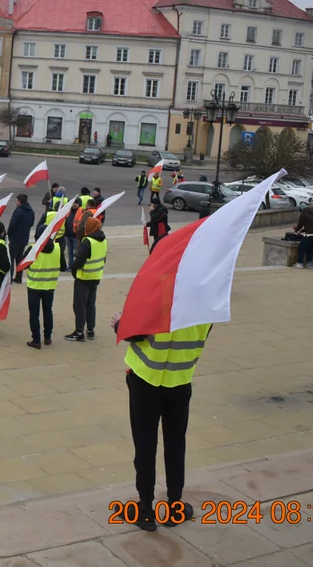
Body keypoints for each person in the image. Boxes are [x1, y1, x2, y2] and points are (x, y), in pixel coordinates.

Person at [115, 311, 211, 531]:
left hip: (146, 379)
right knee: (176, 445)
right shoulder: (205, 305)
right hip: (180, 380)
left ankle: (146, 509)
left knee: (145, 445)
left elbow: (135, 334)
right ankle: (174, 507)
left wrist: (119, 323)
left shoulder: (158, 297)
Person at [67, 216, 106, 342]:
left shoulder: (87, 241)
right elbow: (103, 258)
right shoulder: (103, 241)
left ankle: (79, 332)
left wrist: (73, 268)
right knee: (90, 304)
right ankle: (90, 330)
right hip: (96, 276)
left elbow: (79, 260)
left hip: (84, 277)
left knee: (79, 305)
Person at [24, 224, 60, 348]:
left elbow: (23, 264)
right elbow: (64, 265)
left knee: (34, 314)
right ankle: (48, 337)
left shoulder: (33, 249)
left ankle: (36, 339)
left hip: (34, 286)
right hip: (50, 286)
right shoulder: (57, 248)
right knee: (48, 311)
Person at [6, 194, 34, 284]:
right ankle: (19, 277)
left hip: (15, 238)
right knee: (19, 259)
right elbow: (31, 223)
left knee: (11, 258)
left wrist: (9, 234)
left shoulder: (18, 211)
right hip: (24, 238)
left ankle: (9, 278)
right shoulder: (31, 211)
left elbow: (12, 224)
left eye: (17, 200)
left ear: (19, 201)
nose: (16, 202)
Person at [293, 204, 313, 269]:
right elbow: (311, 226)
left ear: (301, 209)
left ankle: (300, 263)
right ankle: (309, 264)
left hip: (309, 234)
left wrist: (296, 231)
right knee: (311, 249)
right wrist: (301, 231)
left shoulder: (303, 214)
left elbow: (300, 224)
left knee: (302, 248)